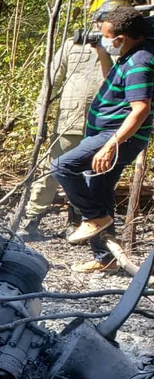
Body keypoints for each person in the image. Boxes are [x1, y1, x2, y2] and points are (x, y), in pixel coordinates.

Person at [51, 5, 154, 272]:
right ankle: (105, 258)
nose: (104, 40)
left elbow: (141, 109)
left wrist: (111, 145)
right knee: (96, 186)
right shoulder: (128, 55)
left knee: (63, 166)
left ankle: (95, 217)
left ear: (122, 38)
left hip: (118, 137)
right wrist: (101, 53)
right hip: (107, 134)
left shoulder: (140, 61)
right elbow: (114, 82)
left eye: (107, 37)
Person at [20, 1, 122, 238]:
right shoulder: (73, 45)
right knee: (50, 173)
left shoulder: (123, 49)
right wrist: (41, 116)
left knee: (93, 176)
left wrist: (106, 49)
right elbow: (51, 81)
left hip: (104, 125)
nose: (100, 26)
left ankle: (79, 220)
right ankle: (31, 219)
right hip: (69, 120)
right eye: (99, 20)